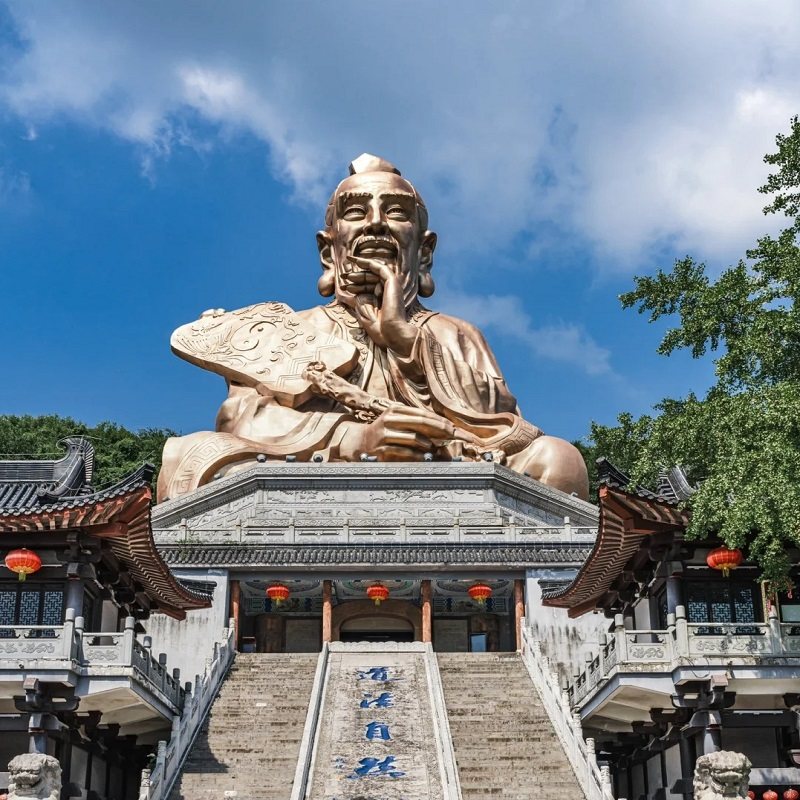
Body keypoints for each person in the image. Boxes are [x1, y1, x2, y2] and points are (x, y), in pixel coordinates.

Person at [158, 154, 589, 502]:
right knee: (187, 455)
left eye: (396, 211)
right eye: (356, 212)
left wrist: (406, 338)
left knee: (559, 461)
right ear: (328, 251)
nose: (376, 223)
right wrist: (359, 439)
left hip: (449, 476)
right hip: (321, 484)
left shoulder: (454, 333)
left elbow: (501, 428)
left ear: (424, 251)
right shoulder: (289, 330)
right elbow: (241, 419)